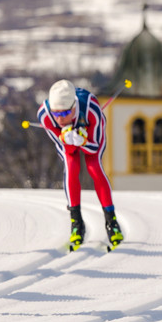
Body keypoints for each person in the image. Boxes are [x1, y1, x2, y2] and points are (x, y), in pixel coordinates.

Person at [37, 79, 124, 251]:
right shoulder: (46, 116)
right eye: (56, 114)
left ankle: (111, 222)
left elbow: (93, 149)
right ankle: (76, 223)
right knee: (71, 168)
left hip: (91, 135)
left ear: (74, 108)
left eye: (64, 114)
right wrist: (68, 140)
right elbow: (68, 151)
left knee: (94, 169)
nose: (60, 119)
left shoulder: (91, 110)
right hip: (70, 143)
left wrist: (82, 140)